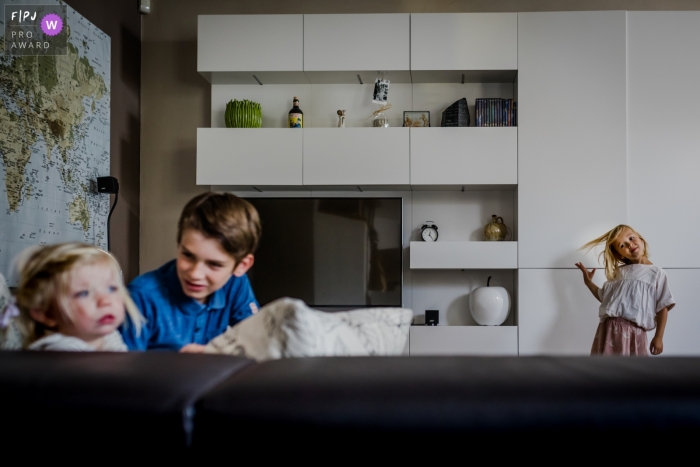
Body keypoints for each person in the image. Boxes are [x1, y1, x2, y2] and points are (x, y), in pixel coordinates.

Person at [121, 192, 261, 351]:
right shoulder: (141, 296)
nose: (195, 274)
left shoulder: (235, 283)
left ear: (241, 266)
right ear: (178, 245)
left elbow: (256, 343)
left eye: (214, 264)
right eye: (188, 255)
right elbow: (124, 371)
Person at [0, 243, 143, 351]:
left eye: (111, 288)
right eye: (84, 293)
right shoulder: (61, 350)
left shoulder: (108, 336)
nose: (105, 301)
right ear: (46, 314)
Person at [575, 224, 674, 356]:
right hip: (607, 330)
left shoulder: (656, 273)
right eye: (622, 245)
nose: (629, 244)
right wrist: (588, 283)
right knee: (606, 371)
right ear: (620, 255)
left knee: (631, 372)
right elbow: (605, 298)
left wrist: (659, 337)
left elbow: (663, 307)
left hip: (634, 333)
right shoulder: (618, 273)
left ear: (641, 239)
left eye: (631, 238)